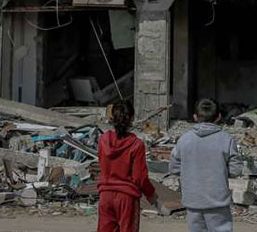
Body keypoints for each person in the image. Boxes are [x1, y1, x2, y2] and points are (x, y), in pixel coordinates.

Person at [170, 98, 245, 232]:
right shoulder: (226, 139)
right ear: (218, 117)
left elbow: (174, 168)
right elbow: (236, 170)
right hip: (218, 201)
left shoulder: (184, 139)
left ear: (195, 117)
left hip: (193, 200)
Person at [97, 101, 157, 232]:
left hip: (105, 196)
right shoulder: (136, 145)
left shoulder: (103, 140)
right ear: (132, 119)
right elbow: (140, 177)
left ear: (112, 118)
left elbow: (101, 163)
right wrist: (150, 193)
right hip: (126, 198)